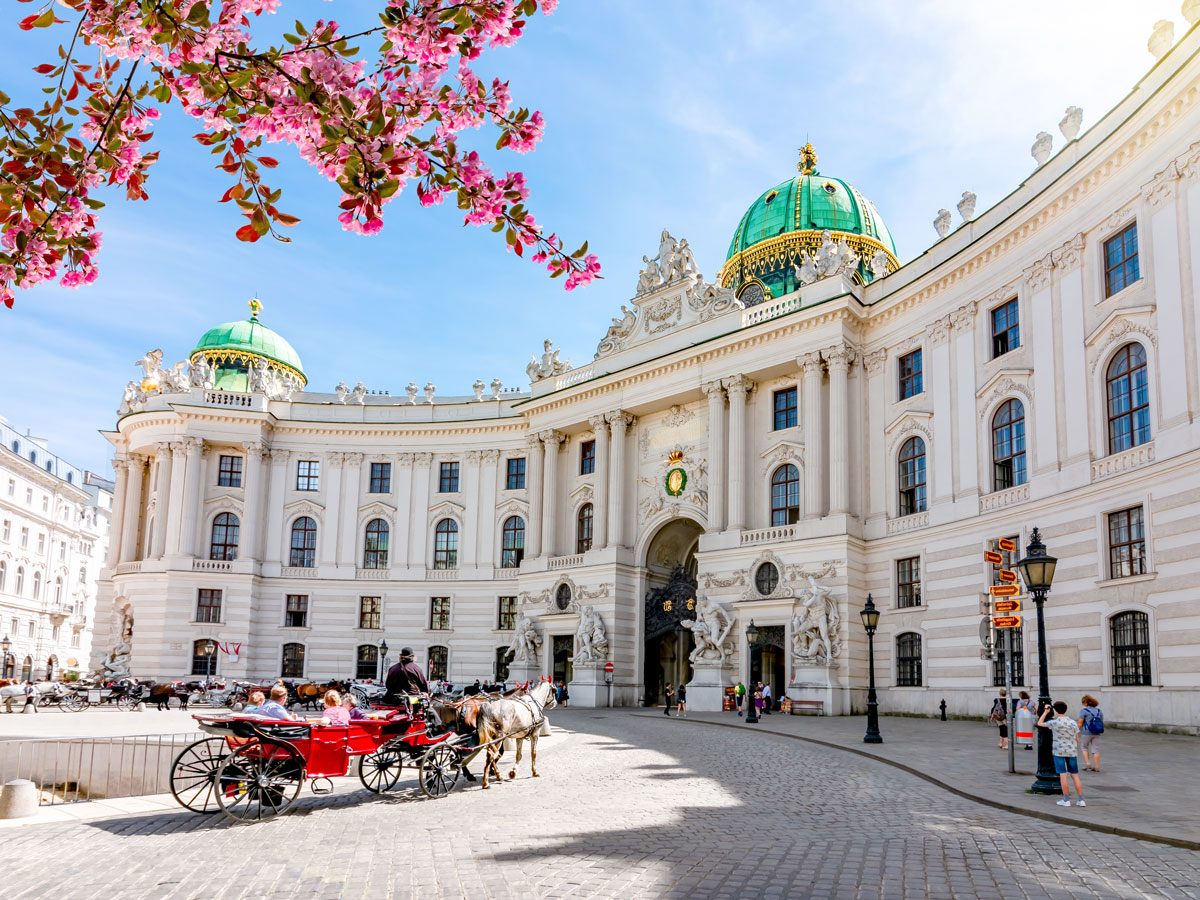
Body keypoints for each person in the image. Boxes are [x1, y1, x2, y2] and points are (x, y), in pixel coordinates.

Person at [1038, 700, 1085, 807]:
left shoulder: (1055, 722)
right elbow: (1077, 739)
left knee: (1063, 775)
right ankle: (1081, 799)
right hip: (1071, 751)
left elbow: (1039, 723)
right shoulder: (1073, 722)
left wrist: (1045, 712)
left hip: (1059, 751)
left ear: (1055, 710)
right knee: (1074, 775)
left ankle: (1066, 799)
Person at [1078, 695, 1104, 772]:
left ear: (1086, 703)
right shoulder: (1099, 711)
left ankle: (1088, 764)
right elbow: (1101, 722)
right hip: (1097, 732)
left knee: (1084, 747)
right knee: (1096, 749)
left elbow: (1080, 722)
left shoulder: (1084, 711)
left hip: (1086, 732)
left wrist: (1076, 730)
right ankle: (1096, 766)